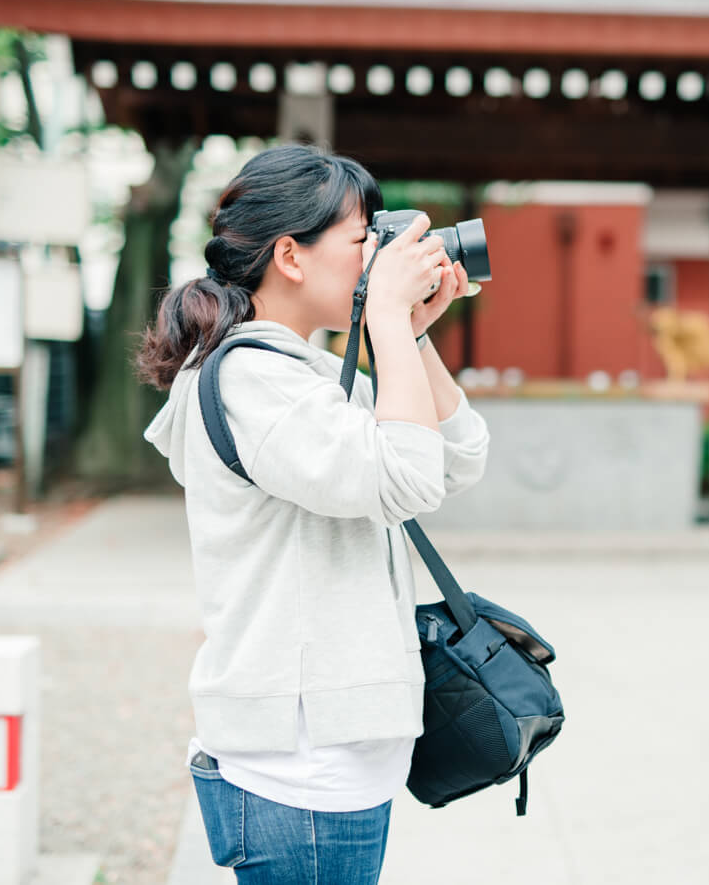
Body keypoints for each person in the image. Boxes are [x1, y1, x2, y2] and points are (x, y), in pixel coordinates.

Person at [136, 144, 489, 883]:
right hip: (300, 772)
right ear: (290, 255)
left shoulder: (306, 372)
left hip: (329, 759)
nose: (378, 259)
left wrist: (413, 334)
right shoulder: (251, 380)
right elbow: (404, 480)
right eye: (364, 241)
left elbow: (455, 458)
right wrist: (386, 319)